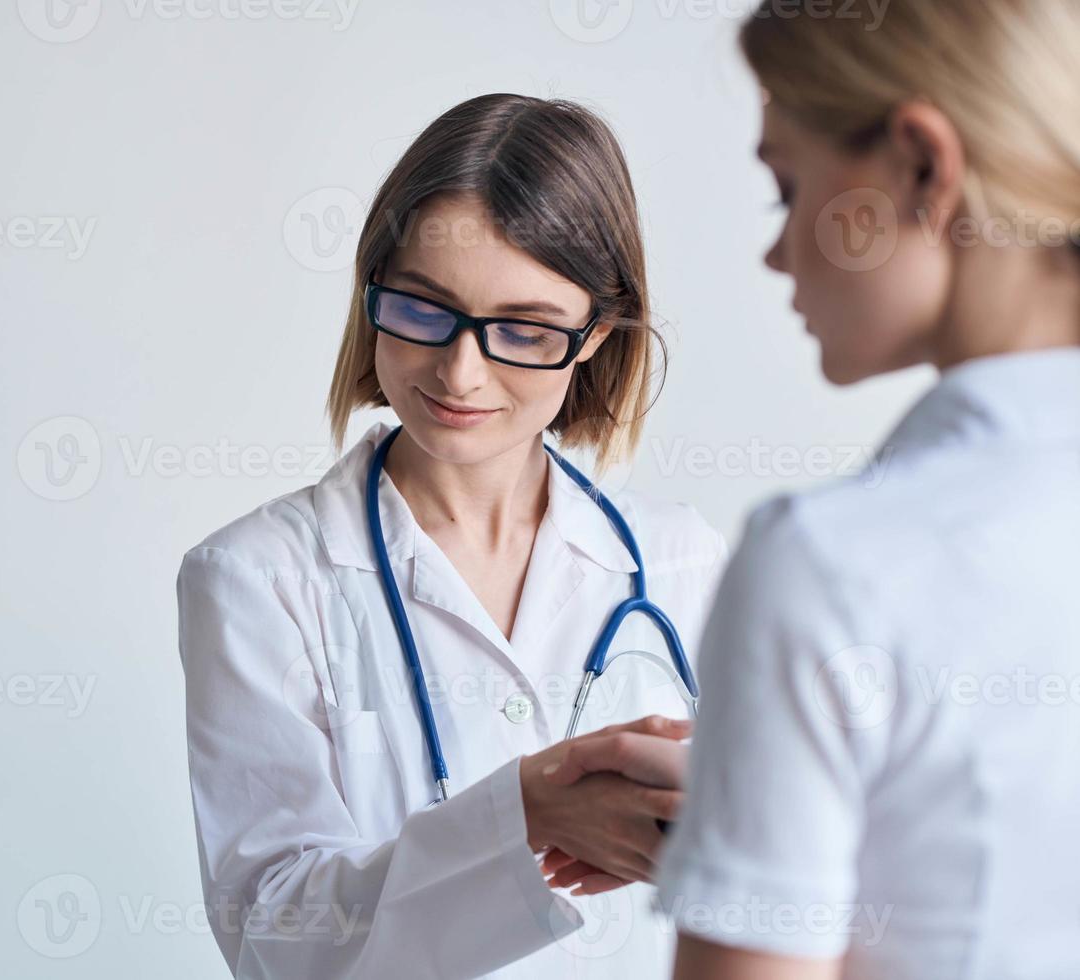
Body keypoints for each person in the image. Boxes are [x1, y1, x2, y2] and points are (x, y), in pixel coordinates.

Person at [543, 2, 1080, 977]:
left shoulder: (828, 560)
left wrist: (754, 831)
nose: (776, 249)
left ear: (920, 164)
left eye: (782, 190)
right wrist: (764, 785)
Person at [175, 93, 728, 977]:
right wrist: (522, 814)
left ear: (593, 335)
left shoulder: (680, 560)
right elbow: (272, 943)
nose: (459, 371)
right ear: (371, 290)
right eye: (423, 308)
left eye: (525, 329)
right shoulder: (255, 578)